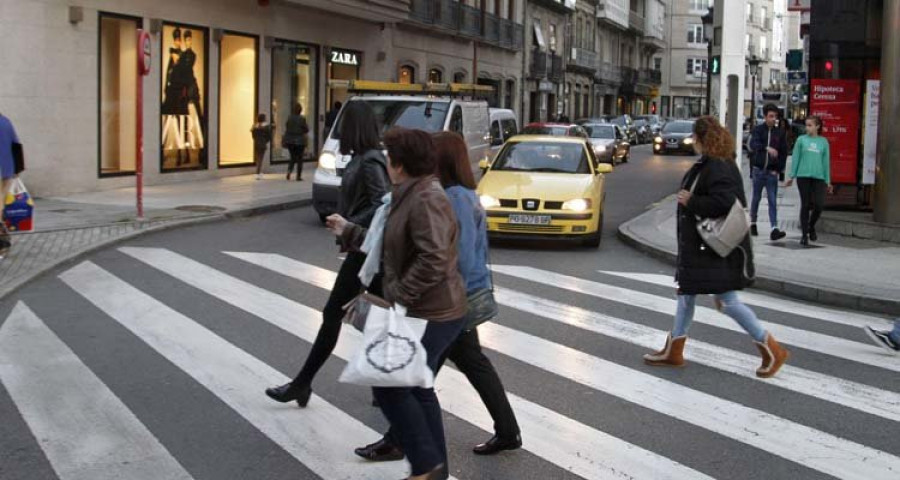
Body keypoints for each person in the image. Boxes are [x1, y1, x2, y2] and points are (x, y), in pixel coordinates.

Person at [353, 132, 521, 464]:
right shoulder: (452, 194)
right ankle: (505, 431)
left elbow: (451, 258)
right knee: (459, 367)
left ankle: (403, 444)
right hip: (454, 297)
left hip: (452, 298)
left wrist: (410, 293)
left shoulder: (454, 198)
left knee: (412, 379)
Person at [328, 128, 466, 480]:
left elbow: (434, 257)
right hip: (429, 309)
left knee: (391, 385)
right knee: (415, 387)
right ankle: (432, 469)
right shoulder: (407, 195)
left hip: (432, 312)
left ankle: (426, 466)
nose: (387, 161)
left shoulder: (425, 198)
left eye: (389, 156)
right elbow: (389, 245)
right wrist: (349, 232)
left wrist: (400, 297)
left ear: (398, 164)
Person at [643, 116, 789, 379]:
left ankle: (771, 347)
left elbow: (725, 202)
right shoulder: (715, 163)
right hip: (704, 248)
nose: (694, 142)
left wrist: (692, 201)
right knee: (687, 295)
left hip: (714, 249)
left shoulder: (718, 166)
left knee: (727, 301)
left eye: (695, 138)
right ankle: (674, 350)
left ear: (701, 139)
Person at [265, 101, 389, 406]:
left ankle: (303, 383)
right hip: (364, 249)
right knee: (375, 318)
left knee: (335, 313)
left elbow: (383, 204)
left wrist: (349, 223)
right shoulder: (363, 158)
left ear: (354, 128)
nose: (339, 131)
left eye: (344, 125)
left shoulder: (371, 161)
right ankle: (382, 389)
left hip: (366, 252)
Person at [785, 116, 832, 246]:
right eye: (806, 125)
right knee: (805, 204)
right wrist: (791, 175)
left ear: (817, 126)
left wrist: (828, 181)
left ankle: (811, 226)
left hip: (819, 177)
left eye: (810, 125)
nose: (807, 128)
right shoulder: (801, 140)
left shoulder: (823, 142)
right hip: (803, 176)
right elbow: (796, 158)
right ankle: (804, 234)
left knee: (819, 205)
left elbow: (826, 162)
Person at [748, 104, 789, 241]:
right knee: (756, 197)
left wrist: (778, 171)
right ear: (765, 116)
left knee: (772, 199)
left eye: (775, 116)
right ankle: (753, 223)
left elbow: (783, 152)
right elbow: (753, 145)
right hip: (758, 170)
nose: (773, 119)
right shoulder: (758, 130)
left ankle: (774, 228)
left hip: (771, 172)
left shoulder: (780, 132)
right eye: (771, 116)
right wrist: (767, 148)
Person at [0, 112, 20, 257]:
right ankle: (4, 242)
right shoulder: (6, 121)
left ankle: (3, 242)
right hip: (7, 171)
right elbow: (16, 145)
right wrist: (16, 170)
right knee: (0, 205)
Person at [283, 104, 310, 181]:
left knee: (292, 157)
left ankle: (289, 171)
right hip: (299, 140)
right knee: (300, 158)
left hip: (290, 140)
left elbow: (287, 126)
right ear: (300, 110)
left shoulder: (289, 117)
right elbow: (306, 129)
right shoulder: (302, 119)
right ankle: (298, 176)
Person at [251, 114, 273, 179]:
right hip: (263, 143)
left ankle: (258, 172)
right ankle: (258, 173)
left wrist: (256, 139)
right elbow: (269, 136)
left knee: (258, 158)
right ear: (264, 119)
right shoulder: (266, 127)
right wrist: (265, 141)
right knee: (260, 159)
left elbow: (253, 136)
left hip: (256, 143)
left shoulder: (255, 126)